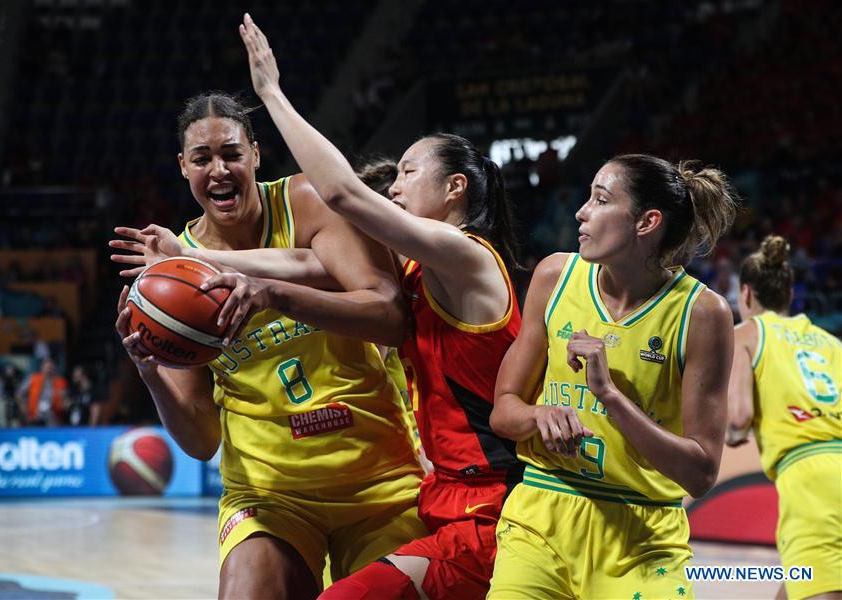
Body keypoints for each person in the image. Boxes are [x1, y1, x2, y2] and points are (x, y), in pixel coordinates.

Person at [238, 15, 523, 599]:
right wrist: (189, 257)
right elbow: (303, 264)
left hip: (493, 506)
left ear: (455, 189)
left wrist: (271, 94)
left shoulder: (467, 256)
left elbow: (341, 193)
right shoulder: (418, 267)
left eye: (407, 173)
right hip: (449, 494)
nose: (393, 186)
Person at [113, 87, 425, 598]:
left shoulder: (305, 202)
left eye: (232, 153)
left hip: (379, 479)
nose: (219, 169)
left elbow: (391, 318)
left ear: (255, 154)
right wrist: (150, 370)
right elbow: (200, 441)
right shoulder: (170, 276)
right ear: (183, 167)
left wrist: (274, 296)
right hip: (269, 491)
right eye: (202, 158)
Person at [488, 153, 738, 598]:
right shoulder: (554, 276)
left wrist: (611, 398)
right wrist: (539, 415)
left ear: (647, 222)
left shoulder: (702, 313)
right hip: (541, 517)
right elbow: (503, 410)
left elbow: (701, 474)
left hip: (643, 537)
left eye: (601, 200)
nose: (581, 211)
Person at [726, 235, 841, 600]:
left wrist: (730, 432)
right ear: (790, 295)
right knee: (796, 586)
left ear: (745, 295)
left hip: (811, 480)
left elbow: (738, 417)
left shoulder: (745, 334)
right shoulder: (831, 342)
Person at [17, 357, 66, 426]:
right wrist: (24, 410)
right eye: (46, 367)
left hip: (53, 419)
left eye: (50, 367)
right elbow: (19, 394)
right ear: (42, 368)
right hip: (35, 416)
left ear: (54, 368)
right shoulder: (33, 379)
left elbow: (64, 400)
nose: (48, 370)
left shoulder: (60, 382)